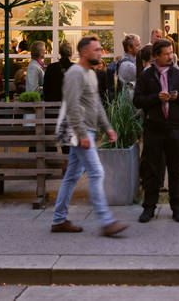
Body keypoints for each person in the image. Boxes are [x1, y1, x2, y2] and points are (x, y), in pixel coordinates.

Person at [50, 36, 127, 237]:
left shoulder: (91, 74)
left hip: (87, 131)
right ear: (84, 52)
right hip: (79, 131)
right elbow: (72, 106)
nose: (100, 53)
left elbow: (96, 104)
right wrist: (82, 134)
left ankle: (59, 220)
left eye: (100, 49)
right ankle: (106, 221)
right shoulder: (75, 73)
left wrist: (107, 127)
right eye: (96, 50)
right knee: (96, 172)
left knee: (72, 176)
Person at [134, 39, 179, 224]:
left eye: (171, 52)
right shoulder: (146, 76)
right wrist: (155, 98)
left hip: (174, 128)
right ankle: (149, 207)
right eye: (166, 53)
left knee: (175, 169)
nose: (170, 56)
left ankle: (177, 208)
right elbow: (138, 100)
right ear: (156, 56)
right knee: (152, 170)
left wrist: (177, 97)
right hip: (154, 128)